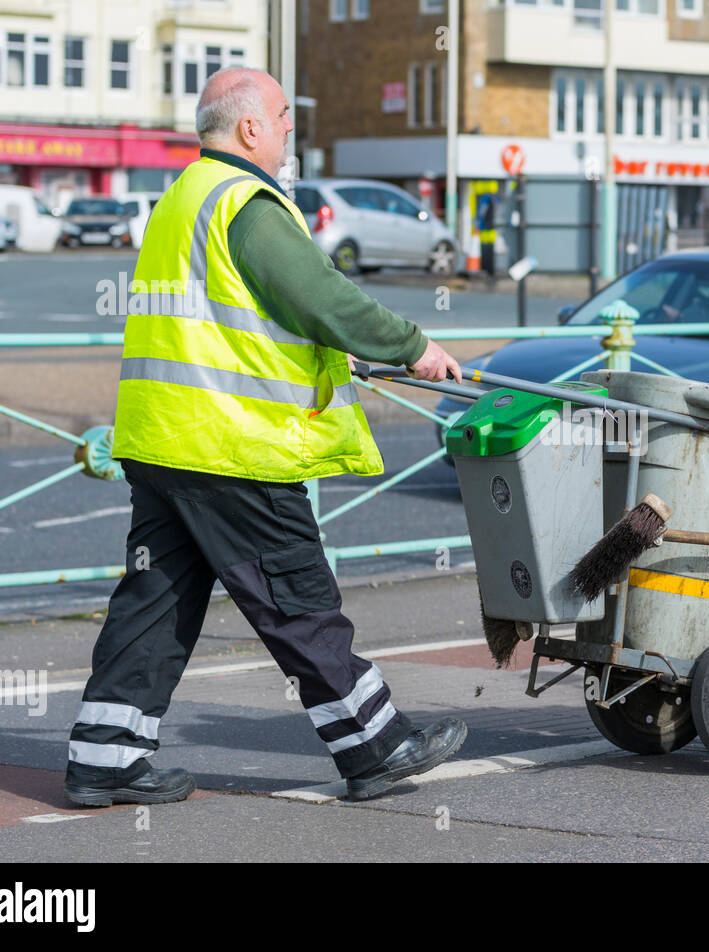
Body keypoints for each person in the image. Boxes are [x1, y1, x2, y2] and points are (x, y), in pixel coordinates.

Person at [63, 68, 466, 807]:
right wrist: (411, 344)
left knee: (155, 602)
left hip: (161, 440)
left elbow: (233, 317)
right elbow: (316, 293)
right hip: (231, 443)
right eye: (283, 116)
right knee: (297, 597)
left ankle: (106, 756)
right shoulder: (245, 200)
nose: (289, 130)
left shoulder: (182, 199)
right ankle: (376, 745)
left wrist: (323, 350)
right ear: (250, 128)